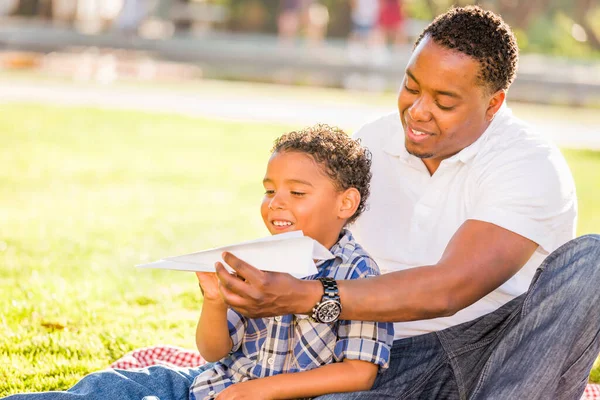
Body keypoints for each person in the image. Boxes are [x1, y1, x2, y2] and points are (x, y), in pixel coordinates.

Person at [211, 6, 600, 399]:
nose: (417, 111)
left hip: (495, 356)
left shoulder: (528, 163)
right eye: (412, 87)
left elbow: (450, 289)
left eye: (444, 102)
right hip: (374, 357)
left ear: (493, 104)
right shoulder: (370, 144)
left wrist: (307, 296)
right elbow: (314, 245)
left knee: (593, 260)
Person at [4, 124, 394, 400]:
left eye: (296, 192)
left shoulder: (357, 274)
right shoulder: (256, 260)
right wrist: (215, 301)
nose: (276, 202)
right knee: (115, 387)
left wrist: (259, 391)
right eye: (270, 190)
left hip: (281, 396)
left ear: (346, 203)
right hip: (211, 387)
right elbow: (212, 352)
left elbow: (360, 373)